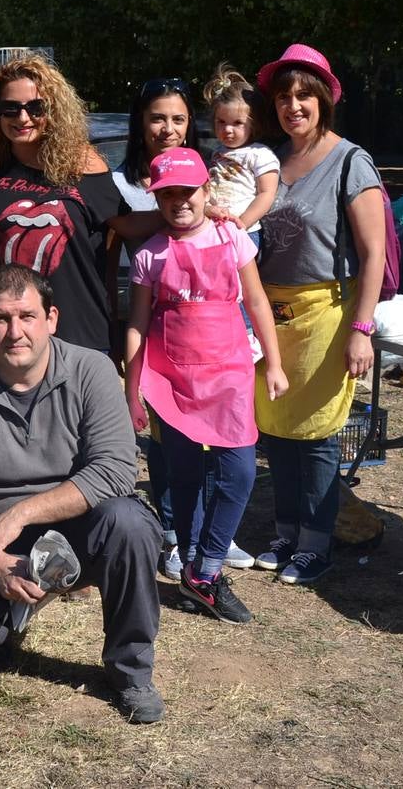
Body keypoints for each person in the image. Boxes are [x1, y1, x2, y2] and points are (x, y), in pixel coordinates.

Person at [0, 265, 164, 724]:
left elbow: (114, 472)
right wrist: (0, 564)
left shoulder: (92, 371)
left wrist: (22, 515)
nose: (15, 332)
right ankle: (0, 630)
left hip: (78, 526)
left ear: (51, 318)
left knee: (130, 524)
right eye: (1, 319)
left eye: (26, 316)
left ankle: (130, 672)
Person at [124, 148, 288, 624]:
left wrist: (273, 363)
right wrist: (132, 387)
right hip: (171, 378)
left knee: (239, 471)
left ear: (206, 191)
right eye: (168, 194)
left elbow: (257, 303)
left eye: (188, 191)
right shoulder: (151, 254)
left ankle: (208, 563)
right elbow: (137, 322)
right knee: (183, 474)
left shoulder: (233, 238)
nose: (179, 202)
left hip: (230, 373)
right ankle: (197, 564)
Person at [252, 43, 386, 585]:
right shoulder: (271, 160)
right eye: (284, 96)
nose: (293, 105)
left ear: (324, 100)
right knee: (278, 428)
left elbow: (373, 251)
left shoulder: (350, 161)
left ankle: (316, 543)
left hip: (326, 316)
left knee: (318, 434)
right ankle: (286, 533)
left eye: (304, 94)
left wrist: (362, 329)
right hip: (270, 314)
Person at [109, 77, 254, 579]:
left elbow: (222, 215)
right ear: (140, 122)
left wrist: (206, 210)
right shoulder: (125, 179)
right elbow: (120, 227)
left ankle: (206, 537)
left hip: (210, 326)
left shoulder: (201, 172)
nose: (168, 128)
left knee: (221, 438)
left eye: (178, 118)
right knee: (171, 441)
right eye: (157, 118)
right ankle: (175, 532)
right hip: (155, 313)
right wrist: (172, 214)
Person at [0, 54, 160, 355]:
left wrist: (194, 217)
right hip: (12, 336)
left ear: (54, 110)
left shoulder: (81, 163)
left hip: (80, 335)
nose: (23, 118)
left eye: (36, 107)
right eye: (11, 108)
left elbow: (127, 224)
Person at [201, 64, 280, 252]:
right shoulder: (216, 153)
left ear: (254, 125)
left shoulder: (260, 154)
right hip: (213, 229)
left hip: (245, 232)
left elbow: (266, 194)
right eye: (221, 122)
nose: (227, 129)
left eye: (237, 123)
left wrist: (242, 224)